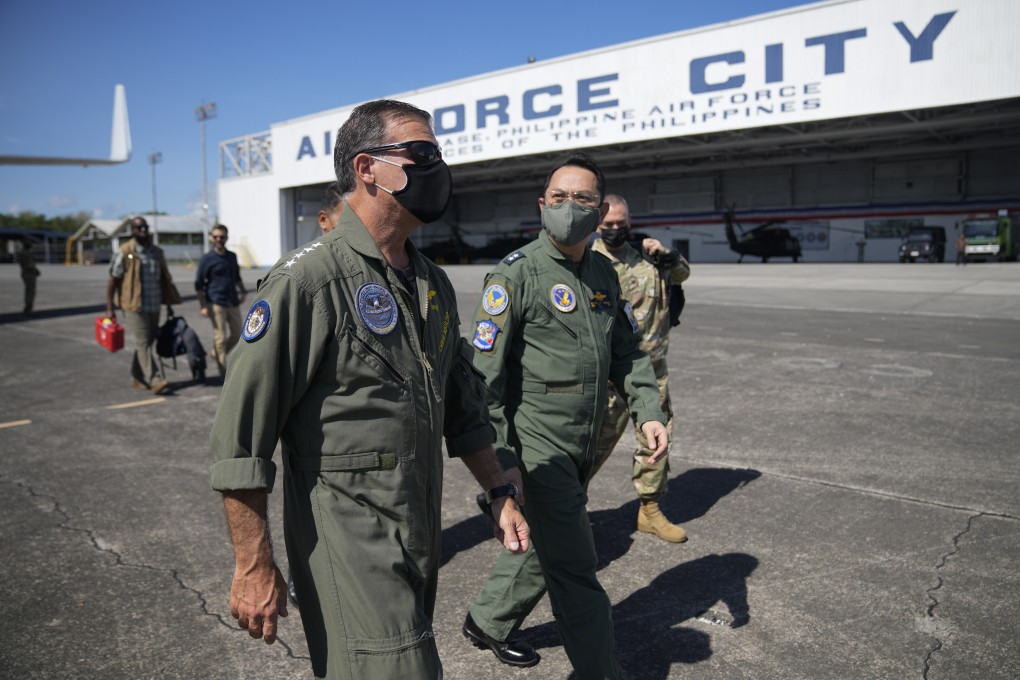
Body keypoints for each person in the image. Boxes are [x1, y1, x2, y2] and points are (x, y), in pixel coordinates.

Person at [209, 99, 530, 680]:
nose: (438, 167)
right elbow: (240, 436)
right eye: (422, 154)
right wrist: (253, 562)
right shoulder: (307, 281)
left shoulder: (429, 281)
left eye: (439, 154)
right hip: (348, 533)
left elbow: (461, 405)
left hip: (417, 528)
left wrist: (498, 489)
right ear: (366, 168)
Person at [463, 153, 667, 678]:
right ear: (542, 204)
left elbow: (627, 350)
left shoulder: (603, 273)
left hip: (584, 441)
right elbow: (482, 381)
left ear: (599, 211)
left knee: (547, 538)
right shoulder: (515, 275)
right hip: (535, 448)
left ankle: (487, 621)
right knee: (577, 567)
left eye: (581, 199)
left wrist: (647, 410)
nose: (568, 207)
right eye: (559, 198)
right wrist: (499, 468)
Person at [591, 194, 691, 543]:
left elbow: (682, 274)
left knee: (656, 445)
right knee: (586, 449)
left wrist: (666, 254)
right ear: (596, 224)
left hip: (654, 372)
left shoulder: (648, 259)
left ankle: (649, 509)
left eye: (621, 224)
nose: (615, 230)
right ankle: (559, 512)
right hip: (608, 378)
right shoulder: (587, 264)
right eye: (608, 225)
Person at [106, 216, 180, 394]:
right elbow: (113, 281)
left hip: (154, 304)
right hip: (133, 305)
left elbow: (164, 279)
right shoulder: (125, 251)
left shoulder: (156, 252)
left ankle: (136, 376)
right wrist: (110, 308)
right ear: (132, 230)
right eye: (138, 227)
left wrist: (168, 304)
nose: (143, 230)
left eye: (145, 227)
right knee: (143, 341)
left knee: (148, 341)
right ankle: (154, 379)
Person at [195, 224, 247, 377]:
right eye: (216, 237)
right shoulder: (207, 259)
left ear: (226, 238)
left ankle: (216, 353)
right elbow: (199, 284)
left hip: (232, 301)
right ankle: (222, 369)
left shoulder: (232, 256)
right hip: (215, 301)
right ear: (212, 238)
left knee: (238, 334)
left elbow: (237, 277)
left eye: (222, 237)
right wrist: (203, 305)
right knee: (220, 336)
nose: (218, 239)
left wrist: (243, 290)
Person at [18, 239, 40, 315]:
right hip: (29, 274)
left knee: (28, 290)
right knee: (30, 291)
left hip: (24, 273)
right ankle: (28, 307)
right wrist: (37, 271)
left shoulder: (22, 253)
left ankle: (28, 306)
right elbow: (30, 265)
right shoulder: (27, 253)